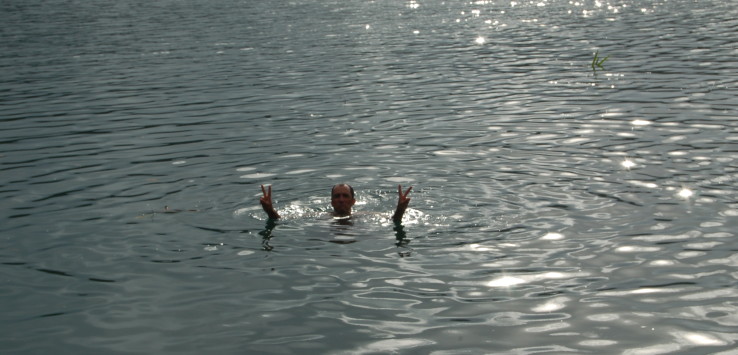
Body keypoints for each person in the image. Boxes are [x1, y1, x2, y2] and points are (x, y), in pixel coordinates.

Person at [259, 184, 413, 223]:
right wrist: (269, 211)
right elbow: (281, 221)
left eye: (345, 196)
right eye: (337, 196)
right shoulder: (318, 217)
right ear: (331, 202)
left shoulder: (366, 217)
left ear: (353, 201)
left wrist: (400, 210)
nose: (341, 199)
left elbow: (394, 221)